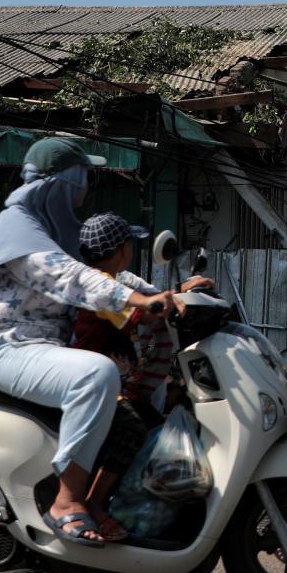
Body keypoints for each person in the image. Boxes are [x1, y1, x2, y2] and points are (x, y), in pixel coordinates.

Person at [0, 137, 182, 546]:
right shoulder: (19, 230)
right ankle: (67, 501)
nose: (86, 186)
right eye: (83, 177)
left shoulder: (54, 228)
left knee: (123, 414)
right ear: (64, 182)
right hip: (3, 346)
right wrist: (135, 301)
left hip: (40, 350)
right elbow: (71, 277)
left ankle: (96, 501)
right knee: (96, 374)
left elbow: (106, 276)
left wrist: (176, 295)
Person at [68, 213, 214, 541]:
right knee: (133, 428)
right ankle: (95, 505)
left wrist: (181, 291)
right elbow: (143, 311)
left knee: (157, 429)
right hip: (94, 384)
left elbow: (151, 296)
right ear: (122, 250)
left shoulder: (116, 279)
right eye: (130, 244)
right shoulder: (100, 286)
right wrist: (169, 301)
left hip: (112, 380)